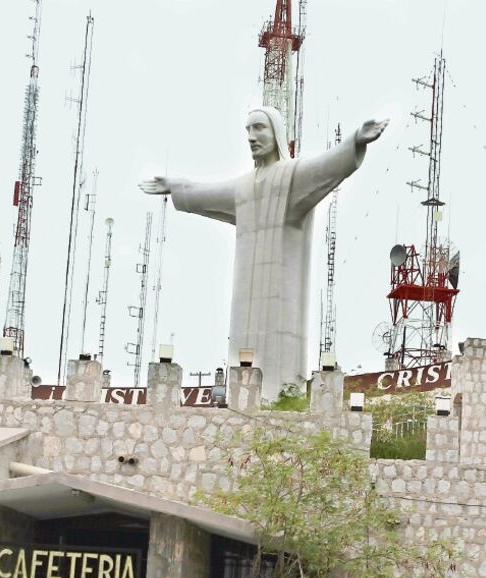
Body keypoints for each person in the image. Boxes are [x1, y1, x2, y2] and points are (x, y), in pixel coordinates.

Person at [140, 106, 387, 400]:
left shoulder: (292, 176)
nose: (251, 137)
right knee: (242, 358)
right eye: (247, 130)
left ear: (277, 133)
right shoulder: (243, 187)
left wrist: (355, 141)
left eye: (259, 128)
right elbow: (206, 193)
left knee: (279, 362)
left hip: (282, 300)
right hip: (245, 298)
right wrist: (175, 186)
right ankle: (243, 399)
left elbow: (326, 166)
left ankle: (280, 397)